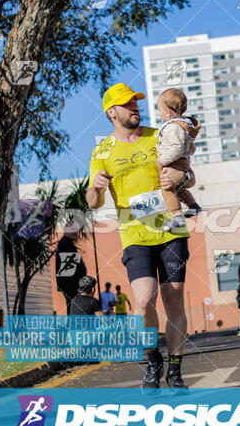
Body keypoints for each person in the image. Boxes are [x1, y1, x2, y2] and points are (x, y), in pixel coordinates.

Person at [86, 83, 193, 389]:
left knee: (174, 299)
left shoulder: (158, 136)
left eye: (136, 101)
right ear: (111, 112)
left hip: (171, 227)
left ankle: (174, 370)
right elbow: (93, 203)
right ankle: (152, 361)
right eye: (127, 103)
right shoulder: (102, 151)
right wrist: (95, 187)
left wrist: (181, 176)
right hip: (134, 234)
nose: (135, 106)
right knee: (143, 301)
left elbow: (188, 172)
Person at [156, 88, 202, 231]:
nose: (160, 114)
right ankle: (193, 206)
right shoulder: (181, 126)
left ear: (168, 112)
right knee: (178, 189)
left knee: (167, 187)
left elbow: (176, 148)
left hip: (175, 163)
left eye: (160, 110)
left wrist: (162, 161)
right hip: (180, 163)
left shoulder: (173, 128)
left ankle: (177, 217)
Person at [55, 220, 87, 314]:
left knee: (73, 308)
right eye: (73, 229)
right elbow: (69, 269)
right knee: (73, 309)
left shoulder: (67, 243)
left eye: (77, 230)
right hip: (71, 286)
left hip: (71, 286)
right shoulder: (66, 244)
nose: (76, 232)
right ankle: (73, 327)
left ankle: (73, 327)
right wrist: (77, 286)